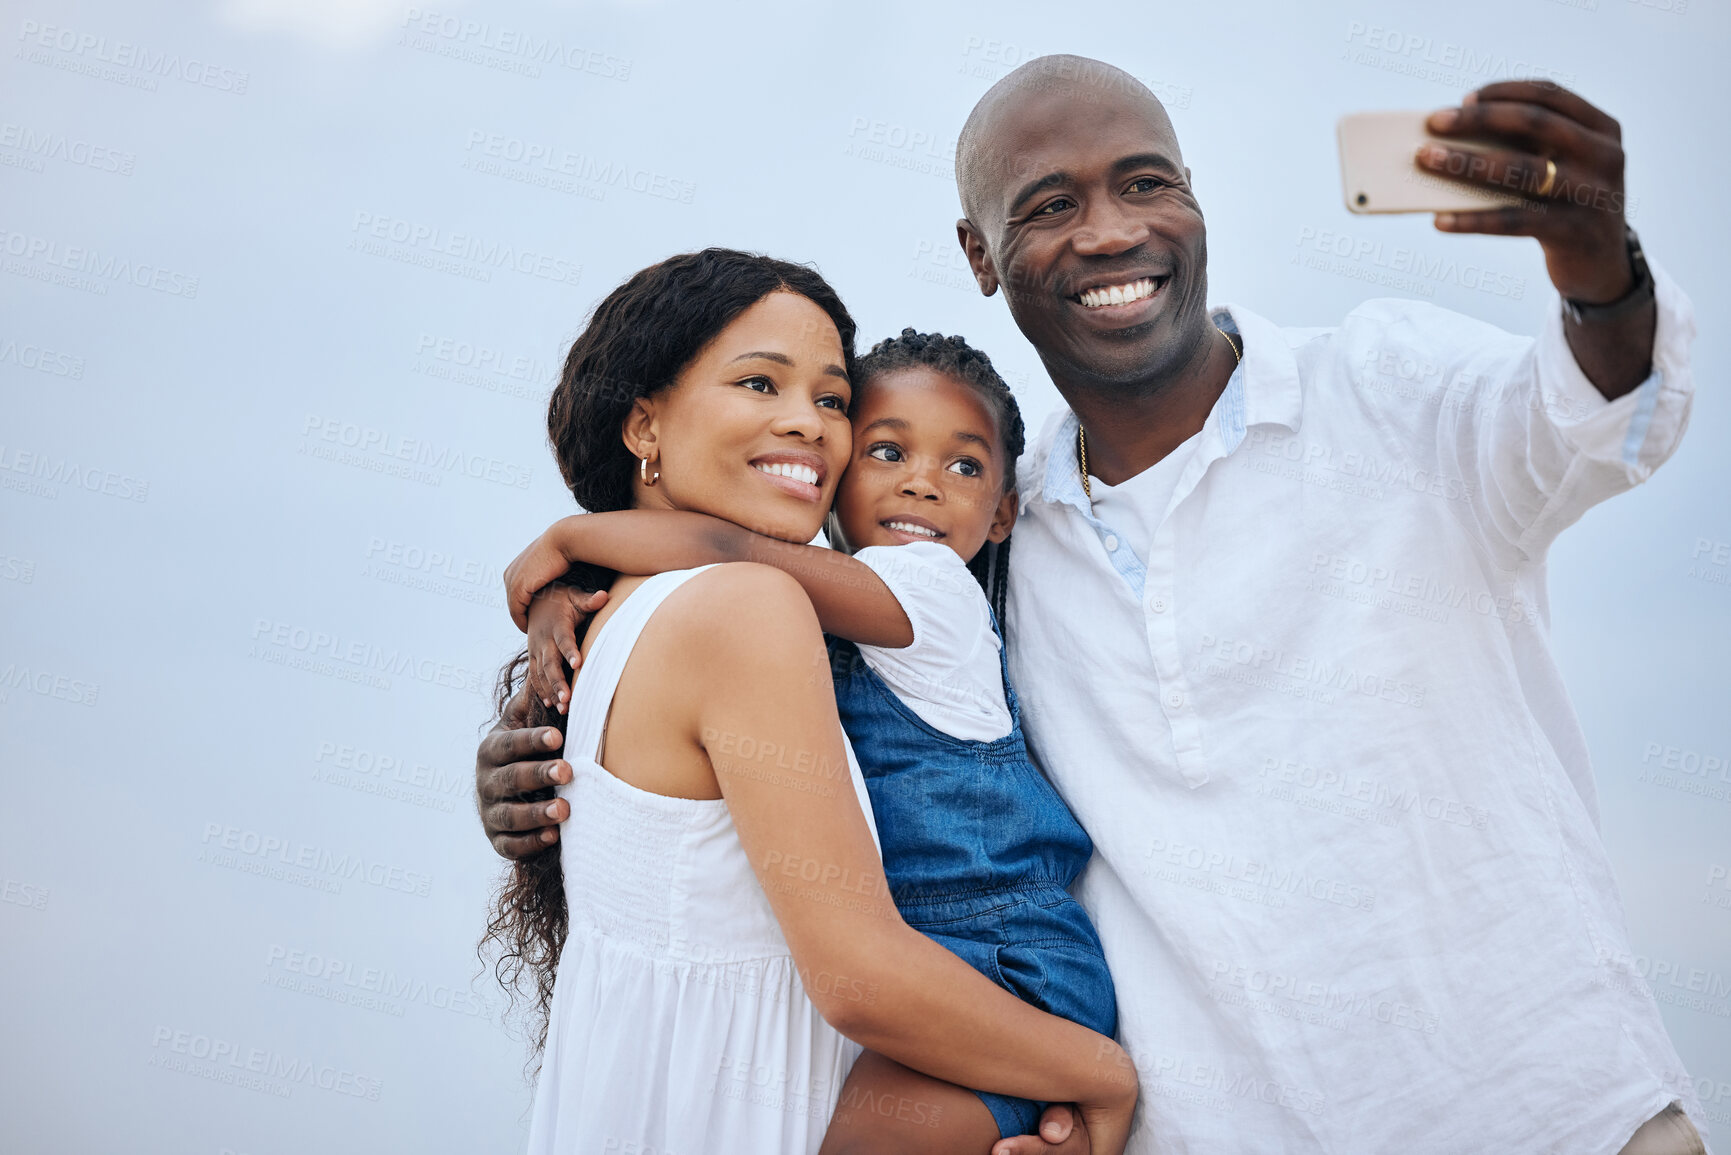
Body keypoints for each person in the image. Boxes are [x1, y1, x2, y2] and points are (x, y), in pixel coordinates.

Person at [479, 58, 1706, 1154]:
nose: (1111, 232)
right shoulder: (1003, 540)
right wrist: (561, 753)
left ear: (1195, 202)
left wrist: (1601, 273)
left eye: (1145, 184)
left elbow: (1592, 420)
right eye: (1050, 206)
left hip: (1550, 1112)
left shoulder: (1381, 390)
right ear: (981, 256)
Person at [484, 247, 1135, 1155]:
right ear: (644, 425)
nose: (807, 426)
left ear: (1001, 510)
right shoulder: (743, 608)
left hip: (987, 968)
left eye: (830, 400)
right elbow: (860, 978)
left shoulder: (643, 619)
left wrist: (569, 550)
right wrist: (1105, 1073)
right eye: (760, 383)